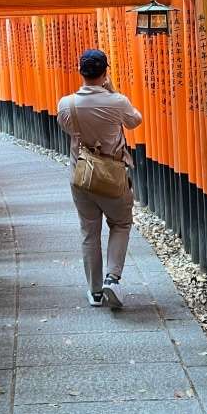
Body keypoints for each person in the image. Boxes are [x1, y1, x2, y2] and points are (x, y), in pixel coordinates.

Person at [57, 49, 143, 308]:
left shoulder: (67, 104)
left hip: (82, 177)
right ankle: (112, 278)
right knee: (120, 223)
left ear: (80, 72)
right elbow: (134, 122)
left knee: (89, 231)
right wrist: (112, 92)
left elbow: (68, 128)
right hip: (113, 175)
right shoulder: (117, 101)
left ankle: (94, 292)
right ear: (105, 72)